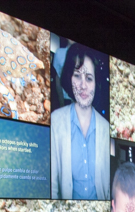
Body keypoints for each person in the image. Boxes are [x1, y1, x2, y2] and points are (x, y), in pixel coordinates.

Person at [50, 43, 109, 200]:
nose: (83, 85)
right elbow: (53, 186)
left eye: (89, 78)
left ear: (96, 83)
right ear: (69, 78)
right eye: (77, 76)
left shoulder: (105, 128)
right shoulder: (56, 121)